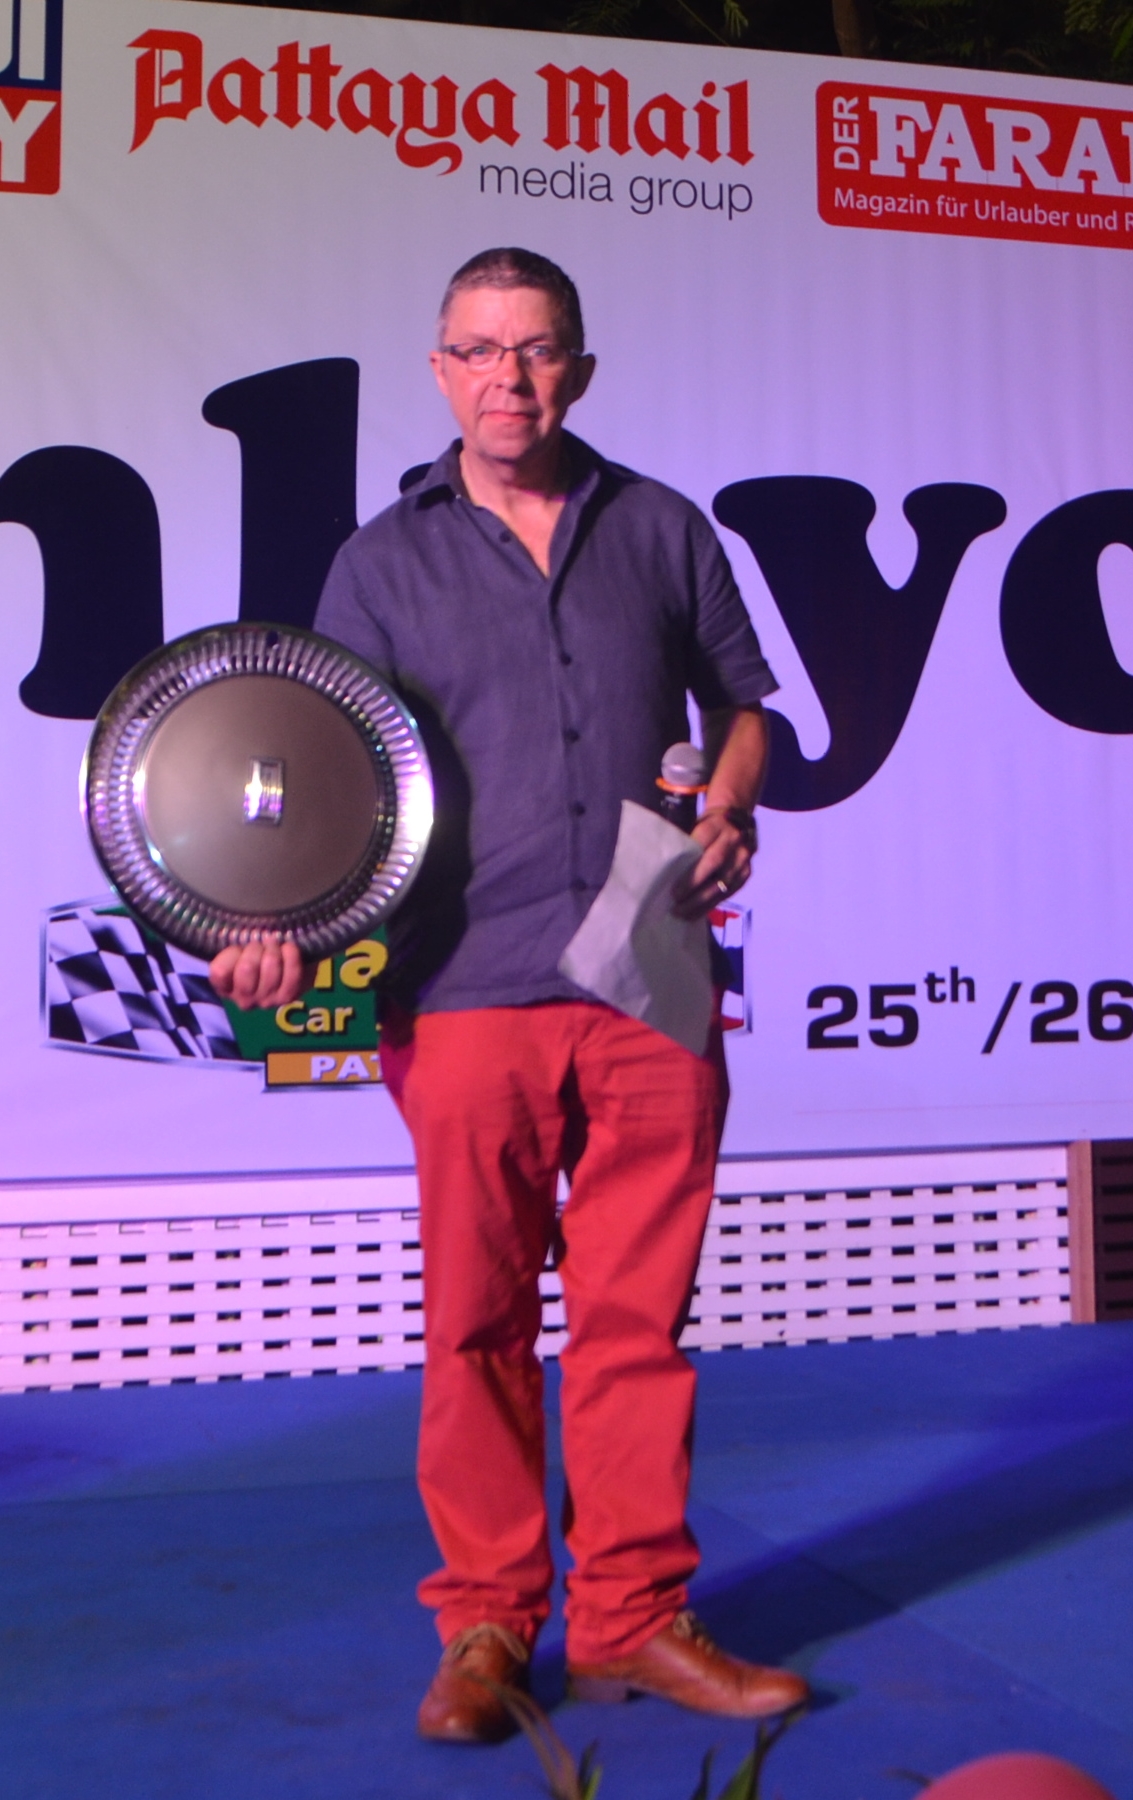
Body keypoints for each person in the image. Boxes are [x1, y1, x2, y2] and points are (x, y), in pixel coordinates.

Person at [210, 247, 808, 1743]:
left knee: (636, 1322)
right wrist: (271, 923)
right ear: (439, 371)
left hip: (649, 979)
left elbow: (749, 707)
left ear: (579, 371)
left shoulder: (663, 528)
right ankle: (486, 1627)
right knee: (475, 1318)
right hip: (460, 988)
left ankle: (629, 1621)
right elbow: (319, 784)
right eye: (478, 351)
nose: (508, 379)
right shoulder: (379, 560)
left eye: (536, 351)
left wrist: (731, 803)